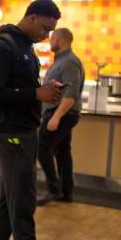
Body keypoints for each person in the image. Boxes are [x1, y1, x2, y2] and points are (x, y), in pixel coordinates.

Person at [0, 0, 67, 240]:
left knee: (8, 199)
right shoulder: (3, 47)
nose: (47, 34)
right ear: (30, 18)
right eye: (44, 27)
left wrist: (42, 91)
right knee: (24, 206)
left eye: (51, 30)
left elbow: (19, 89)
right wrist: (35, 93)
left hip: (23, 133)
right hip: (11, 135)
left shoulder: (25, 46)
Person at [37, 28, 85, 206]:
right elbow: (64, 87)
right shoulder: (62, 61)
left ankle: (53, 189)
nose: (50, 41)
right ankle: (66, 192)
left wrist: (56, 117)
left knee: (41, 146)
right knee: (63, 152)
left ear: (61, 40)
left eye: (53, 38)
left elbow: (71, 95)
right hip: (60, 112)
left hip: (62, 113)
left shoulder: (70, 62)